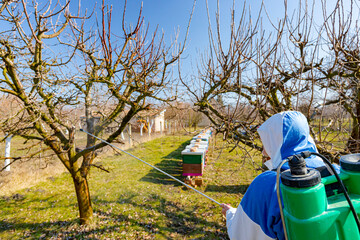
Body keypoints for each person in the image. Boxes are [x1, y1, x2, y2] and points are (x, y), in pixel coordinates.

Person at [220, 111, 336, 240]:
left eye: (265, 141)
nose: (264, 150)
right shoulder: (337, 171)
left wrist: (231, 214)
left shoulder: (268, 184)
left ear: (275, 141)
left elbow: (242, 234)